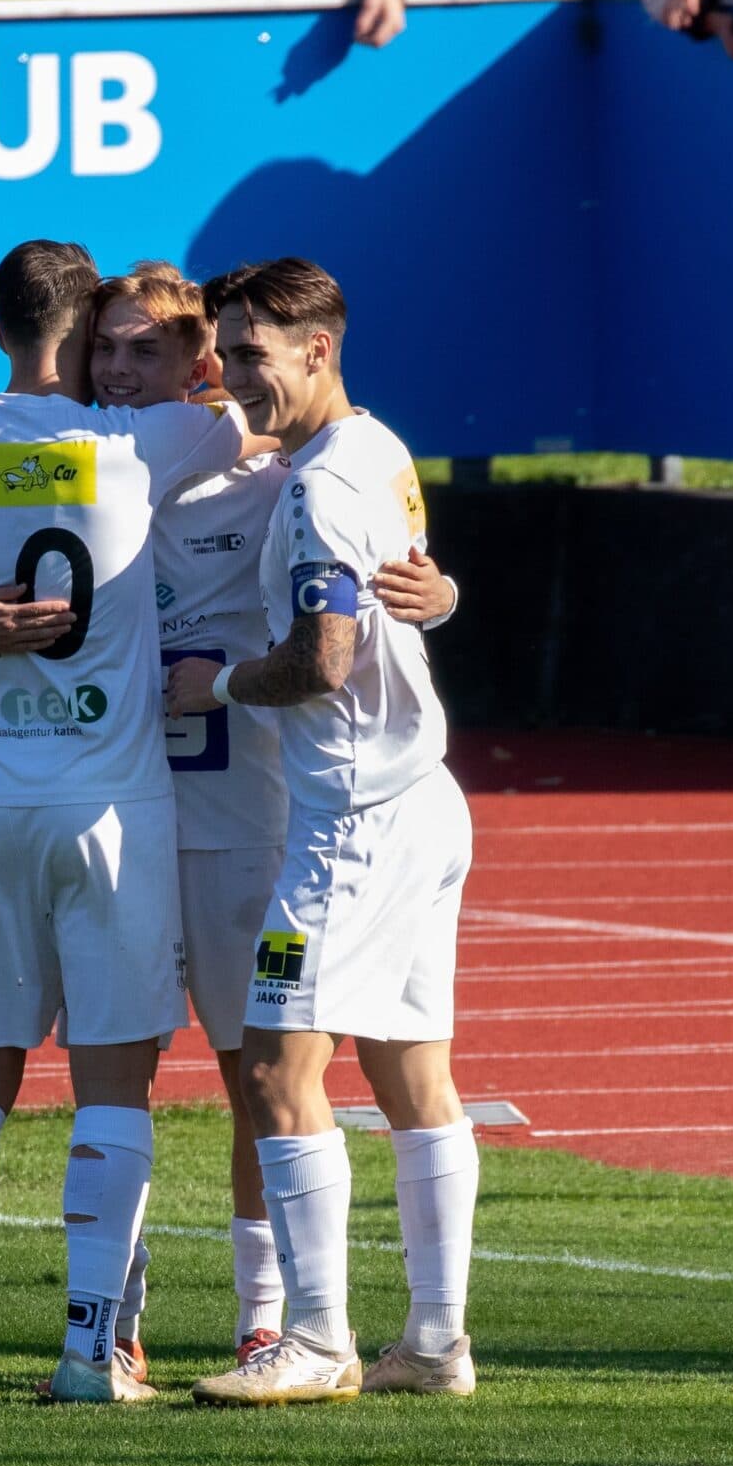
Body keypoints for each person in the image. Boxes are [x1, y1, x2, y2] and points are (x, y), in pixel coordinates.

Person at [0, 238, 254, 1405]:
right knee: (113, 1082)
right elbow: (234, 417)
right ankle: (94, 1347)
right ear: (84, 323)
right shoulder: (141, 441)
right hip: (106, 800)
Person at [83, 264, 459, 1379]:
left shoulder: (297, 482)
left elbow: (326, 653)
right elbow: (392, 577)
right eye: (102, 346)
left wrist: (221, 681)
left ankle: (300, 1331)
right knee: (403, 1074)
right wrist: (443, 598)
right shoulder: (360, 448)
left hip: (321, 821)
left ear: (315, 353)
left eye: (151, 350)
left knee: (270, 1072)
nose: (117, 368)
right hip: (368, 803)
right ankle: (432, 1337)